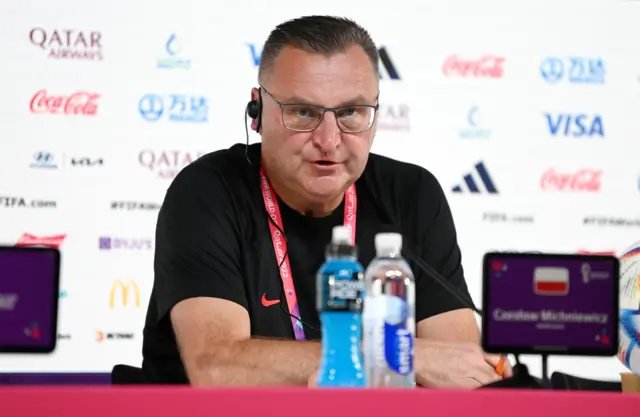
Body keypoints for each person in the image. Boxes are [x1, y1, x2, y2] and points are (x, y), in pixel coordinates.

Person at [141, 15, 512, 388]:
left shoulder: (412, 193)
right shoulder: (207, 192)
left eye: (351, 112)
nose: (329, 140)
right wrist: (396, 357)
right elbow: (217, 368)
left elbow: (465, 370)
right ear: (258, 112)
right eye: (304, 113)